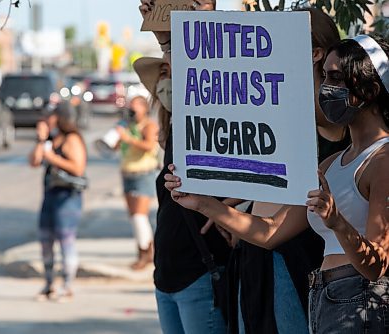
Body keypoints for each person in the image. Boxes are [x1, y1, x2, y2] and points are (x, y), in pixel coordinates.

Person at [166, 34, 389, 332]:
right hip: (324, 300)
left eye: (336, 77)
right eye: (324, 77)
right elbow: (269, 231)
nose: (326, 88)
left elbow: (376, 265)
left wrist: (337, 223)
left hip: (360, 302)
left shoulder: (383, 161)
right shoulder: (330, 164)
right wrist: (203, 203)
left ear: (370, 89)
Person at [218, 8, 351, 334]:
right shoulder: (279, 103)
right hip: (256, 253)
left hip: (296, 258)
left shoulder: (334, 114)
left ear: (315, 53)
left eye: (281, 42)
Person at [134, 52, 229, 333]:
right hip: (166, 278)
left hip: (198, 274)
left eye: (173, 70)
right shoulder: (171, 133)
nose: (166, 80)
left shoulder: (206, 127)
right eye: (162, 73)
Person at [29, 101, 87, 302]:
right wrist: (41, 140)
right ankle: (48, 284)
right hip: (50, 195)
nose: (47, 120)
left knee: (65, 241)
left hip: (67, 197)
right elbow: (34, 162)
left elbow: (77, 168)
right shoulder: (50, 140)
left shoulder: (72, 139)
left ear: (60, 117)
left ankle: (67, 286)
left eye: (50, 116)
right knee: (45, 241)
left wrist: (51, 157)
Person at [116, 95, 159, 270]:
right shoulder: (128, 125)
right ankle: (142, 251)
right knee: (134, 218)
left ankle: (147, 252)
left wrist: (129, 139)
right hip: (128, 173)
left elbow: (149, 146)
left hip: (143, 174)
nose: (131, 111)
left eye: (135, 107)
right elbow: (115, 147)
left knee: (140, 217)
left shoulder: (149, 125)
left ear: (144, 108)